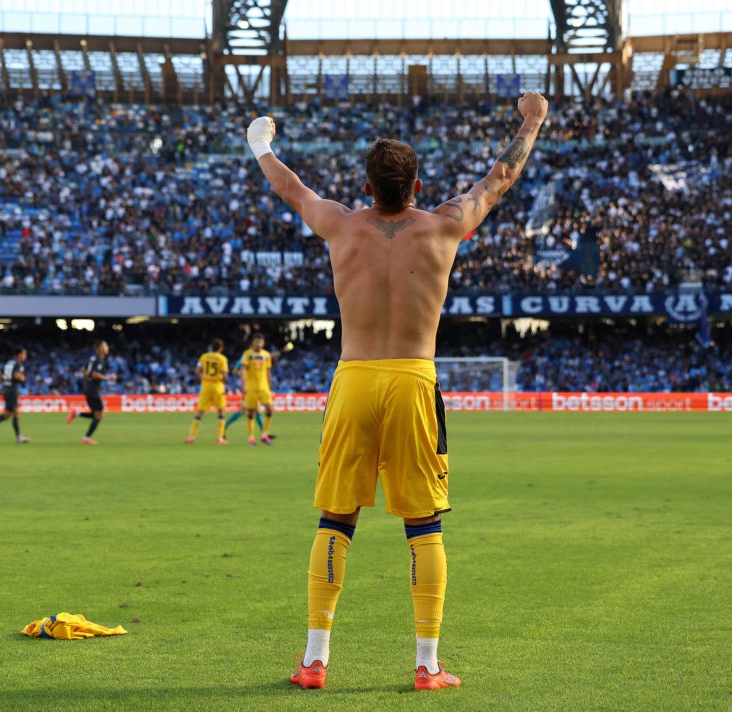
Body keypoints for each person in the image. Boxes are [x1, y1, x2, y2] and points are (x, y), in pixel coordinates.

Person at [246, 90, 548, 690]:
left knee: (336, 516)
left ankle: (313, 661)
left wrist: (260, 143)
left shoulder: (339, 224)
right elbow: (499, 178)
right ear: (417, 185)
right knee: (425, 523)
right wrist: (532, 121)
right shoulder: (444, 225)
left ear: (366, 187)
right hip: (413, 379)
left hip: (353, 379)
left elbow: (290, 188)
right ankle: (427, 664)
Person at [66, 340, 116, 445]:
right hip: (93, 389)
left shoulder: (93, 358)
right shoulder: (99, 360)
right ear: (100, 348)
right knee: (98, 415)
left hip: (88, 388)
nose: (107, 347)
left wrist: (86, 376)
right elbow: (95, 375)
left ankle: (77, 413)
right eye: (105, 345)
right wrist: (109, 378)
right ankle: (85, 438)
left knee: (96, 414)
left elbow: (83, 369)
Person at [185, 338, 230, 445]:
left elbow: (197, 371)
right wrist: (222, 381)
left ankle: (191, 437)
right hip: (217, 386)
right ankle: (219, 438)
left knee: (200, 411)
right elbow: (225, 376)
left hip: (206, 386)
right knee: (221, 412)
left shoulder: (204, 356)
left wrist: (203, 379)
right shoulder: (222, 359)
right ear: (220, 348)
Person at [0, 346, 31, 443]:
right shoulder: (18, 364)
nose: (25, 356)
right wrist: (23, 378)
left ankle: (18, 437)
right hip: (12, 390)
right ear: (19, 354)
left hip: (7, 389)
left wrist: (6, 380)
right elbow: (17, 376)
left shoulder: (8, 363)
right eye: (24, 354)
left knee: (10, 414)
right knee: (13, 413)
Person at [238, 333, 276, 446]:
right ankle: (251, 437)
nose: (258, 343)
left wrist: (270, 384)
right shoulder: (247, 354)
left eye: (260, 341)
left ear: (263, 343)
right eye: (256, 341)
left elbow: (268, 371)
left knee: (269, 409)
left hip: (264, 387)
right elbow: (243, 369)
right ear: (253, 342)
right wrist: (244, 384)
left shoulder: (266, 355)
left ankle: (264, 434)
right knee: (250, 411)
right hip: (251, 387)